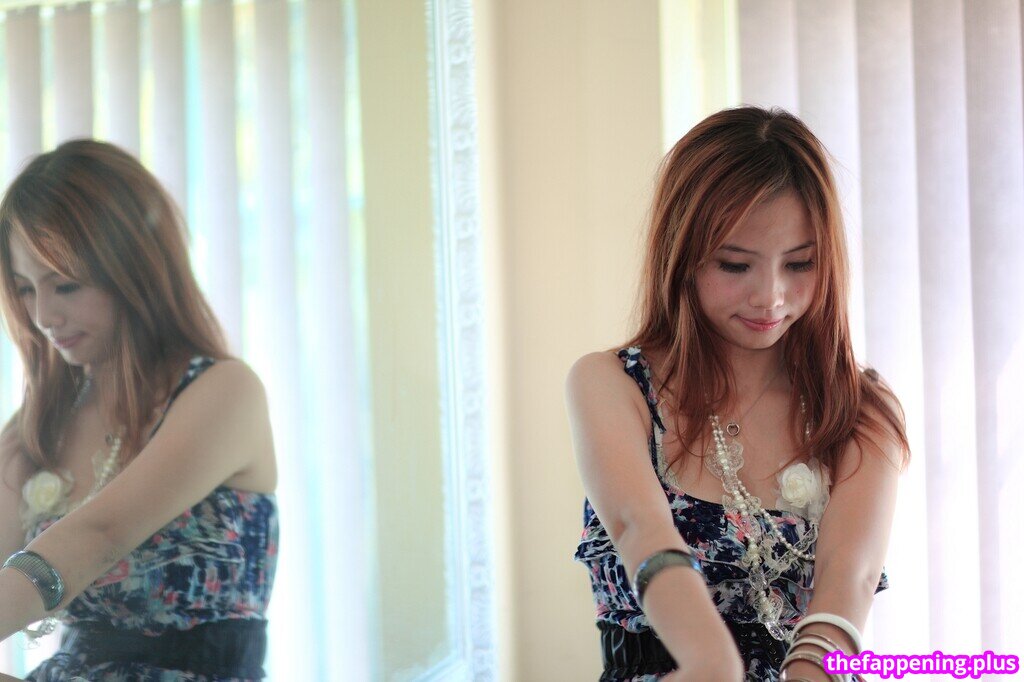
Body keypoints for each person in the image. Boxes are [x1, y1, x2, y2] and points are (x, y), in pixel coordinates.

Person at [567, 107, 909, 681]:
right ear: (681, 255)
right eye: (735, 265)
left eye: (799, 263)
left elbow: (847, 582)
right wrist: (711, 661)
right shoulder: (613, 384)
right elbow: (637, 526)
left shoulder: (860, 412)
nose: (770, 296)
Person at [0, 140, 278, 681]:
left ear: (134, 268)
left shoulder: (226, 393)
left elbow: (98, 536)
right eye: (25, 290)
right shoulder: (37, 426)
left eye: (65, 285)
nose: (45, 316)